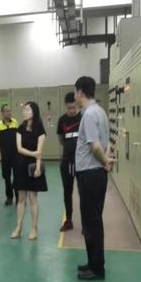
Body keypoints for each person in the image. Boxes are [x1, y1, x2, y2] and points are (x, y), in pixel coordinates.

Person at [74, 76, 115, 281]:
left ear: (80, 92)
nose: (75, 96)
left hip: (90, 174)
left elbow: (95, 146)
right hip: (94, 173)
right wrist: (105, 161)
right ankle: (93, 262)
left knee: (91, 223)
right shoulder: (100, 111)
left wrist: (105, 161)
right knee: (92, 222)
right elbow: (106, 143)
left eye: (76, 92)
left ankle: (97, 269)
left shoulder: (89, 114)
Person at [11, 102, 48, 241]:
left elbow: (40, 152)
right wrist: (33, 154)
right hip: (20, 165)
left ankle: (34, 228)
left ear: (34, 112)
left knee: (33, 198)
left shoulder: (40, 130)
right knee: (21, 198)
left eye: (27, 109)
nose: (24, 112)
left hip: (33, 167)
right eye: (24, 109)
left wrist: (38, 168)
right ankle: (18, 227)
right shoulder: (20, 128)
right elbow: (19, 148)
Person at [56, 92, 82, 232]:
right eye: (68, 108)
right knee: (67, 192)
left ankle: (86, 224)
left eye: (73, 107)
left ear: (77, 105)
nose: (71, 111)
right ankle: (69, 220)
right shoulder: (62, 120)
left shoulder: (83, 118)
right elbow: (61, 139)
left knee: (83, 193)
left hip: (81, 162)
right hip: (66, 162)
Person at [0, 104, 19, 206]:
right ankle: (9, 197)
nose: (9, 112)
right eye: (7, 111)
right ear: (2, 113)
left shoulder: (15, 122)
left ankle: (18, 197)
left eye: (10, 110)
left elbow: (19, 138)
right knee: (6, 177)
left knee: (17, 177)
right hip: (5, 156)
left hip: (16, 155)